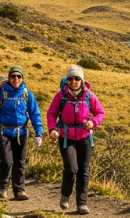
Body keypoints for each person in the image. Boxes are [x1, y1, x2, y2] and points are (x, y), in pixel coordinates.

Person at [46, 64, 106, 215]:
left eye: (77, 79)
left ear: (82, 81)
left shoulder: (89, 96)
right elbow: (51, 114)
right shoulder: (62, 95)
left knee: (84, 171)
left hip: (85, 138)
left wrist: (93, 122)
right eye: (71, 79)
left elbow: (100, 112)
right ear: (67, 80)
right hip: (66, 138)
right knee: (72, 169)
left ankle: (82, 203)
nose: (74, 82)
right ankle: (65, 195)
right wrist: (52, 129)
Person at [0, 65, 44, 201]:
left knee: (20, 162)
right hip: (4, 132)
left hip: (21, 132)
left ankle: (19, 191)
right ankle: (2, 189)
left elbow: (35, 114)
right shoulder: (2, 93)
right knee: (6, 161)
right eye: (13, 76)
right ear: (9, 78)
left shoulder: (27, 94)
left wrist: (39, 133)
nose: (16, 79)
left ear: (22, 78)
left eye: (19, 76)